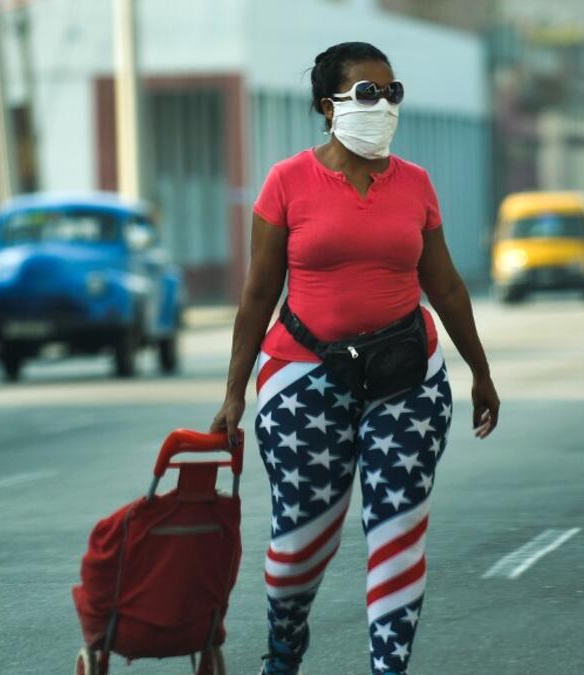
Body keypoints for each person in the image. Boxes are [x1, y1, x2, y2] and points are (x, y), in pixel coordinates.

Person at [209, 42, 500, 675]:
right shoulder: (287, 182)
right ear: (328, 106)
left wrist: (480, 371)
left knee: (397, 530)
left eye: (392, 92)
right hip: (302, 378)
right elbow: (258, 294)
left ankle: (388, 668)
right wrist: (235, 394)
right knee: (300, 544)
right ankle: (283, 649)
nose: (384, 105)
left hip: (407, 377)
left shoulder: (416, 184)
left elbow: (444, 285)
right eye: (368, 93)